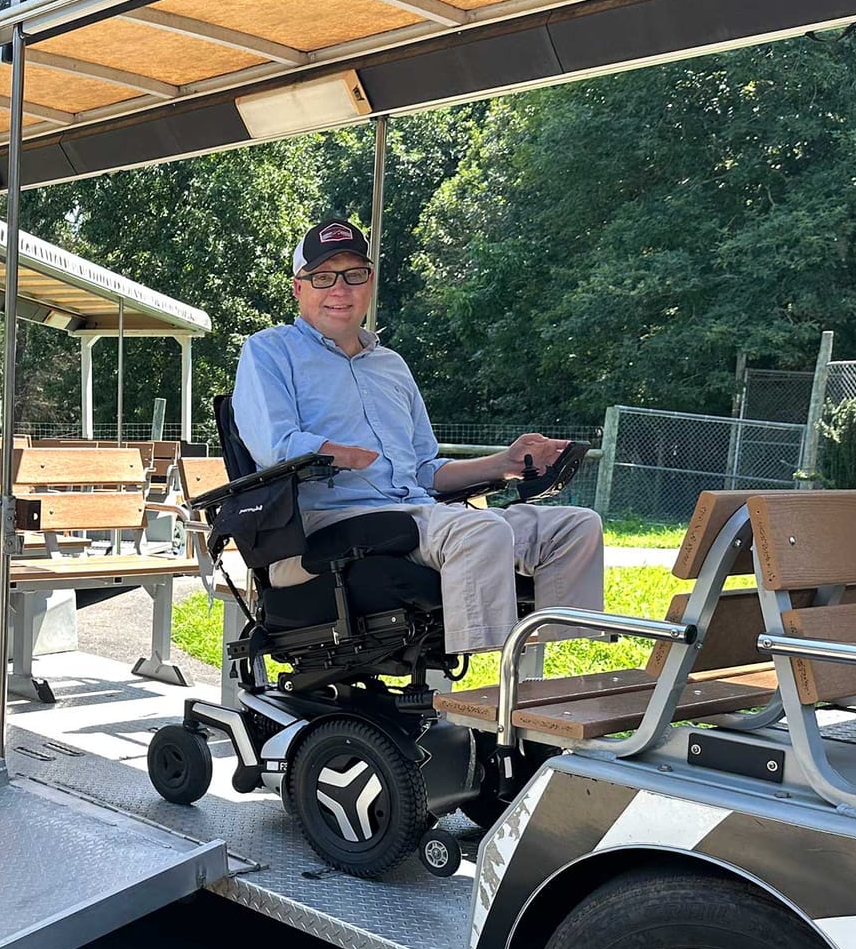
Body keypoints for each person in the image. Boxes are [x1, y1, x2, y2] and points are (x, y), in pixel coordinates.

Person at [233, 218, 604, 659]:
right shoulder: (269, 351)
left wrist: (505, 462)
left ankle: (556, 694)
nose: (340, 289)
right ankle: (488, 700)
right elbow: (274, 446)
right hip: (325, 528)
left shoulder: (391, 365)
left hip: (413, 515)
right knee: (479, 530)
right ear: (299, 288)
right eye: (323, 277)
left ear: (368, 283)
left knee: (575, 527)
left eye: (354, 275)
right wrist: (338, 454)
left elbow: (426, 469)